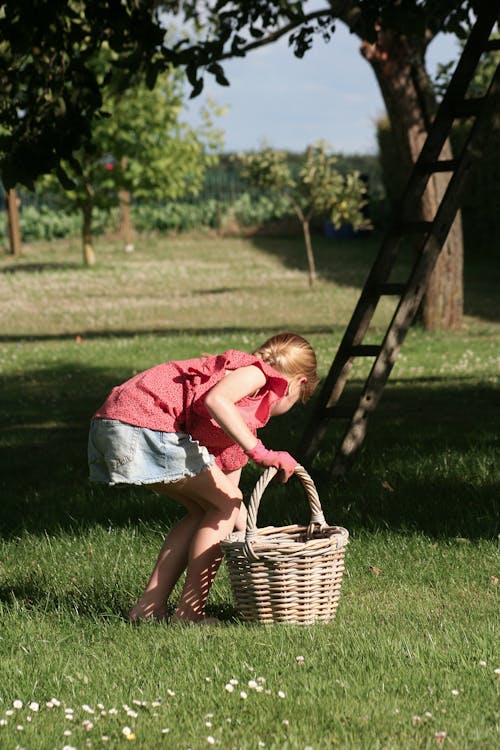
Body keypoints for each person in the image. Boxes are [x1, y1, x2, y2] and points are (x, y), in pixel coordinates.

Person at [88, 332, 319, 625]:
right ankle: (189, 614)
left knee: (206, 510)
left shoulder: (234, 425)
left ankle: (148, 609)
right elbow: (216, 400)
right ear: (297, 384)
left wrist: (254, 538)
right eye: (298, 400)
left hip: (114, 424)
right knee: (223, 504)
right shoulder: (256, 374)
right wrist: (260, 453)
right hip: (140, 422)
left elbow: (230, 505)